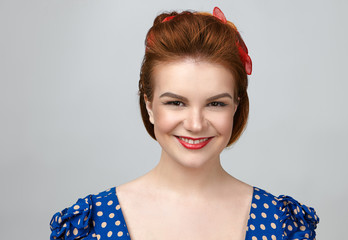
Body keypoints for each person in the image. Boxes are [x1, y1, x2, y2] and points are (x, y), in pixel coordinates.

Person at [50, 7, 319, 240]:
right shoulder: (92, 225)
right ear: (149, 105)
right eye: (176, 102)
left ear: (236, 106)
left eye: (216, 103)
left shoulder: (281, 224)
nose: (195, 123)